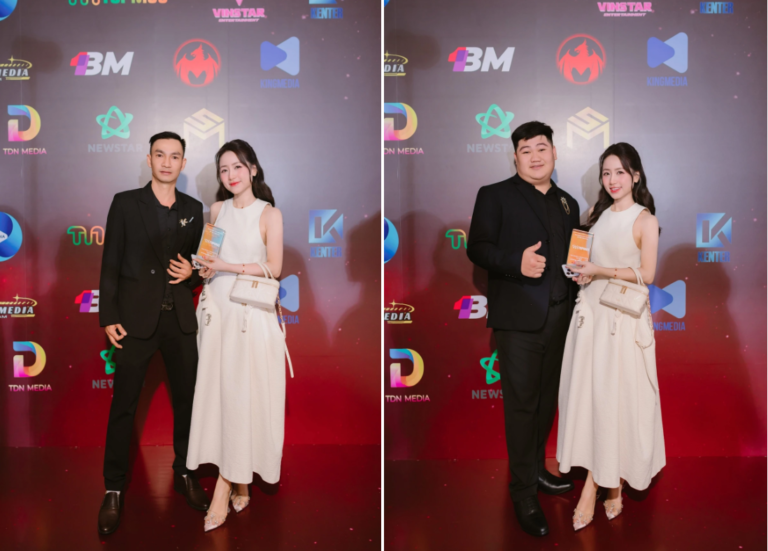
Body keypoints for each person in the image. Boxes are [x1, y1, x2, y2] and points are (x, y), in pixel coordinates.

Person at [467, 121, 580, 537]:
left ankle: (536, 471)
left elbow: (573, 257)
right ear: (514, 157)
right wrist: (516, 262)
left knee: (547, 403)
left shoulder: (569, 203)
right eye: (526, 150)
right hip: (518, 322)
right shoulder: (494, 194)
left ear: (554, 153)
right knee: (521, 407)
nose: (535, 156)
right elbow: (477, 247)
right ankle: (522, 492)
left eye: (542, 148)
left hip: (561, 319)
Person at [97, 131, 209, 535]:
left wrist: (193, 272)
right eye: (159, 154)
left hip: (179, 323)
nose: (166, 162)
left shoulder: (194, 208)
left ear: (183, 163)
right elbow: (110, 262)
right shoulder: (126, 203)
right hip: (135, 322)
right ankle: (113, 488)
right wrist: (108, 315)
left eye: (174, 156)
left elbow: (201, 265)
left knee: (188, 404)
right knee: (123, 406)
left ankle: (185, 473)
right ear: (148, 159)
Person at [557, 142, 665, 531]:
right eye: (606, 173)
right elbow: (586, 262)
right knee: (593, 400)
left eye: (620, 172)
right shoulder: (595, 214)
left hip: (623, 322)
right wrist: (583, 272)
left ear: (635, 175)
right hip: (591, 316)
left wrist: (600, 270)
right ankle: (609, 481)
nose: (612, 179)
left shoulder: (645, 219)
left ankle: (598, 486)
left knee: (618, 400)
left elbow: (647, 275)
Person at [185, 139, 288, 532]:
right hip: (217, 314)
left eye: (237, 167)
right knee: (222, 398)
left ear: (253, 170)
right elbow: (207, 260)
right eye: (223, 169)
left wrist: (227, 265)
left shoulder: (270, 214)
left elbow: (275, 267)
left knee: (244, 397)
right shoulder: (216, 210)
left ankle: (223, 489)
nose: (230, 175)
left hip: (250, 317)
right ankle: (239, 479)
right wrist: (206, 267)